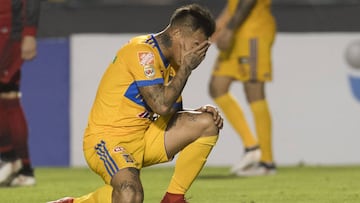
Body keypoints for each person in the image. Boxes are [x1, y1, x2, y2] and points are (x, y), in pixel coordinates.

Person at [49, 3, 222, 203]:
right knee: (130, 193)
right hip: (108, 140)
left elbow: (170, 113)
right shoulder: (142, 52)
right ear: (177, 33)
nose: (199, 53)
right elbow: (161, 106)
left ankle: (173, 199)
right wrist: (186, 69)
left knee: (208, 122)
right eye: (196, 45)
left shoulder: (173, 64)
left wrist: (197, 113)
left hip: (143, 138)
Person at [209, 0, 276, 176]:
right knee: (217, 86)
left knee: (254, 92)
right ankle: (252, 147)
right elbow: (233, 5)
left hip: (254, 31)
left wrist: (229, 29)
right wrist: (218, 28)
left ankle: (267, 163)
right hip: (237, 30)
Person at [0, 0, 41, 186]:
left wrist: (30, 33)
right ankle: (18, 166)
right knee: (7, 96)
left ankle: (12, 161)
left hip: (8, 24)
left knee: (7, 94)